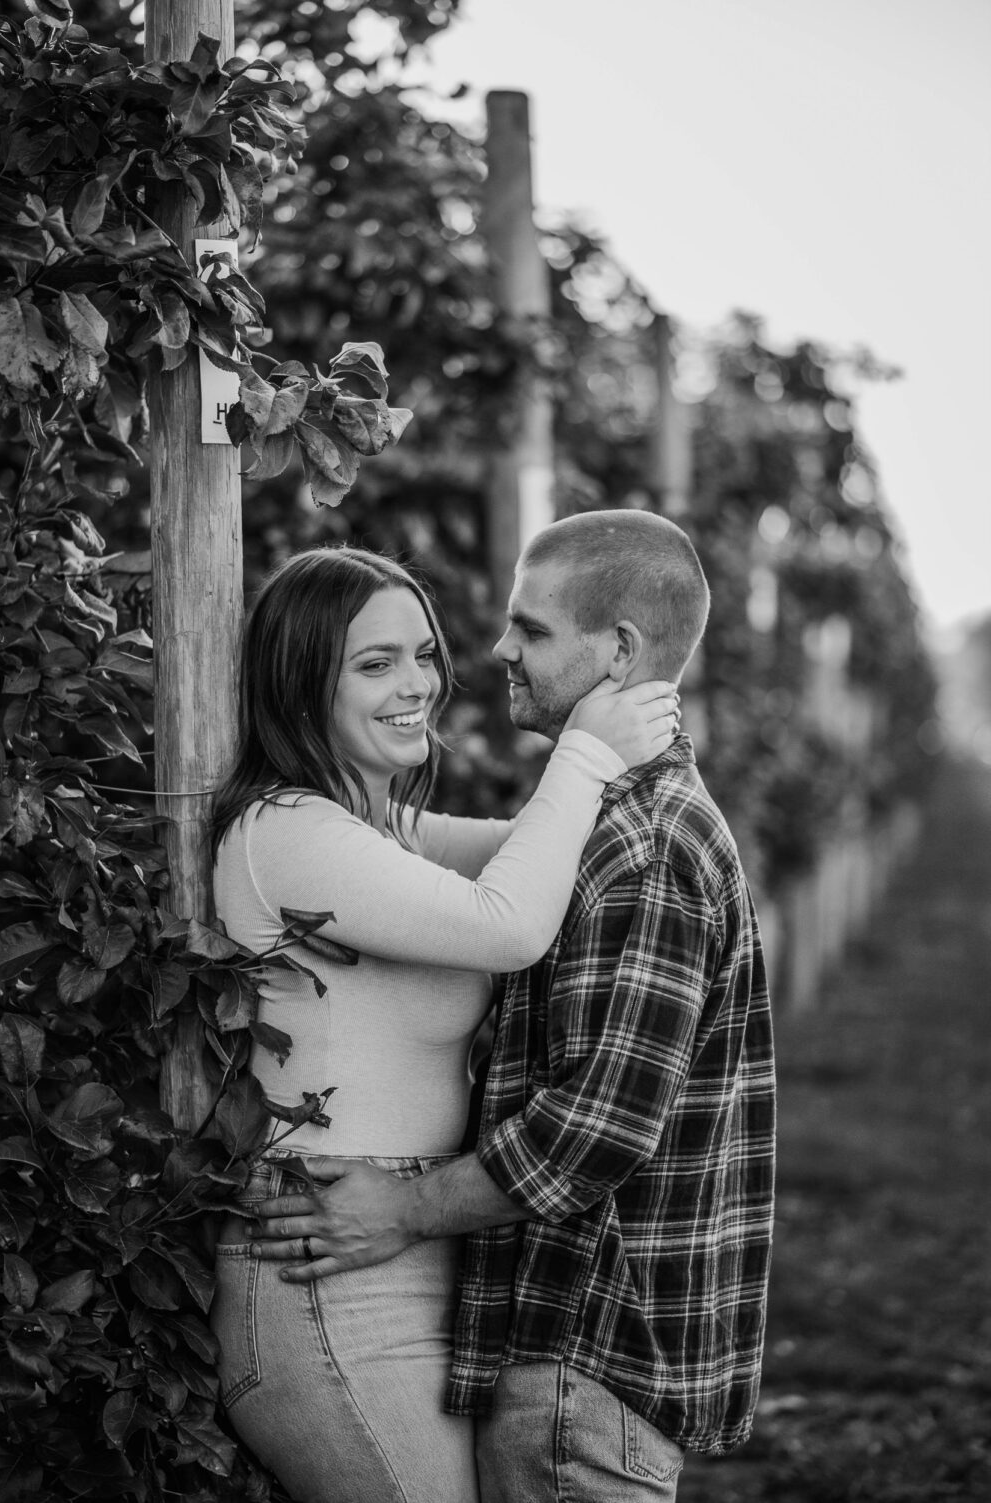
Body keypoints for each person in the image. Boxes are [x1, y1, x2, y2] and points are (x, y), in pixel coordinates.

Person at [252, 511, 777, 1503]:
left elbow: (594, 1127)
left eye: (530, 630)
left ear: (617, 650)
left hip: (582, 1352)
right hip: (565, 1356)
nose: (494, 652)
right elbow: (426, 847)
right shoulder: (610, 829)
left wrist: (404, 1208)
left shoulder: (643, 847)